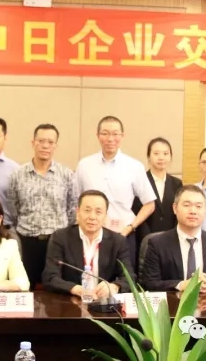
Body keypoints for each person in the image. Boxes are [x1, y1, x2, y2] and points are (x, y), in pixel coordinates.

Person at [75, 116, 156, 272]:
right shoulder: (84, 165)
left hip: (123, 235)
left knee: (124, 280)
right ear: (98, 135)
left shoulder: (134, 166)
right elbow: (77, 201)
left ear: (122, 136)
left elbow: (150, 204)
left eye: (115, 134)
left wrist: (130, 227)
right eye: (105, 133)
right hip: (91, 235)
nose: (110, 138)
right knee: (91, 278)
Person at [8, 124, 77, 289]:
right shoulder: (17, 175)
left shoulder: (66, 175)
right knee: (25, 288)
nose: (45, 146)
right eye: (41, 141)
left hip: (57, 242)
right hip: (27, 241)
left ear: (56, 146)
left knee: (56, 288)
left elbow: (72, 208)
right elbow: (12, 207)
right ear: (33, 143)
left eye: (50, 142)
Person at [42, 190, 135, 298]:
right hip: (70, 301)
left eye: (98, 212)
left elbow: (130, 278)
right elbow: (50, 277)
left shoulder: (118, 241)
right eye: (87, 210)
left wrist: (114, 286)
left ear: (105, 216)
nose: (92, 217)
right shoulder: (60, 238)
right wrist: (75, 289)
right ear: (78, 213)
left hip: (103, 302)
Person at [142, 185, 206, 292]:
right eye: (187, 205)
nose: (193, 211)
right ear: (175, 208)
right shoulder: (157, 243)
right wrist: (181, 285)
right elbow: (149, 283)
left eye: (198, 206)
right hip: (173, 302)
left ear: (205, 210)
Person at [133, 137, 183, 241]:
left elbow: (179, 212)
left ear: (170, 157)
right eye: (156, 153)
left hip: (171, 239)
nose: (161, 157)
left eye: (165, 154)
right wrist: (147, 237)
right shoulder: (140, 181)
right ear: (148, 156)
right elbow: (136, 211)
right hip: (145, 239)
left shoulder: (177, 183)